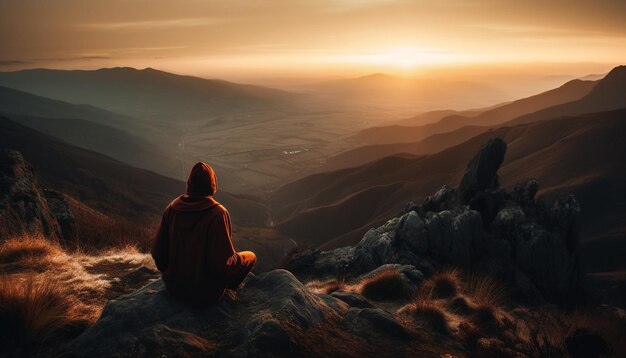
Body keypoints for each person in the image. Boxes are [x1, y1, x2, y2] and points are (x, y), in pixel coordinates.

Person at [151, 162, 256, 306]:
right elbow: (223, 264)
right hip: (205, 295)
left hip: (174, 289)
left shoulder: (172, 208)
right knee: (250, 256)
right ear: (212, 184)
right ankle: (227, 290)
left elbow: (158, 253)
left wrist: (172, 274)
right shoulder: (217, 213)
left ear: (189, 184)